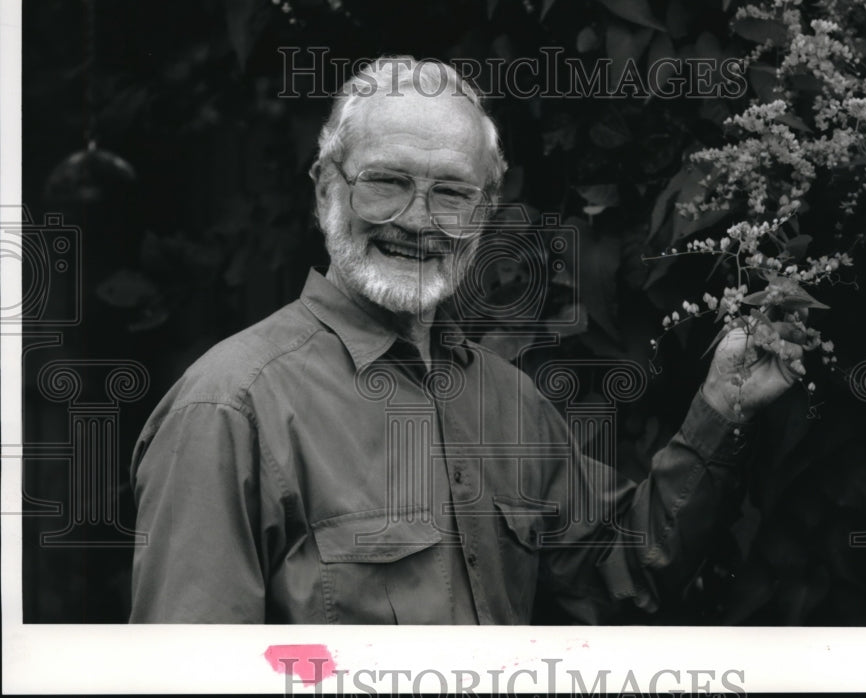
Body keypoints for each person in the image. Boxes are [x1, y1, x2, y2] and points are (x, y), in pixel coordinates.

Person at [129, 56, 808, 624]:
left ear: (483, 214)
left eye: (451, 193)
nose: (417, 220)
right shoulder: (230, 408)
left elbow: (621, 577)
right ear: (325, 192)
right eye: (386, 182)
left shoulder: (506, 400)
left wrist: (722, 409)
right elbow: (186, 677)